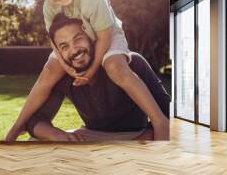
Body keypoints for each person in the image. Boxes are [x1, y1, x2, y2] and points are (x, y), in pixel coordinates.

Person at [6, 0, 168, 141]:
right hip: (76, 37)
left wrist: (90, 71)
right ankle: (18, 125)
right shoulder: (49, 7)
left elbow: (104, 38)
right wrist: (66, 67)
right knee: (49, 71)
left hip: (107, 33)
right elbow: (55, 41)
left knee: (114, 66)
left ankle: (159, 121)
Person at [26, 14, 170, 141]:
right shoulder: (63, 76)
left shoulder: (129, 63)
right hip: (91, 136)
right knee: (34, 141)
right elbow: (35, 120)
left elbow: (167, 111)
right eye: (65, 47)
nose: (74, 50)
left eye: (78, 39)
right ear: (59, 54)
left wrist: (145, 137)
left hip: (133, 135)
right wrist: (58, 135)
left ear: (92, 37)